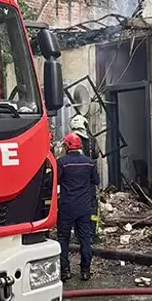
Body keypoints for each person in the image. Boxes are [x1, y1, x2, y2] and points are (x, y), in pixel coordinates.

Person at [57, 132, 99, 282]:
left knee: (63, 238)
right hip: (84, 207)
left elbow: (56, 181)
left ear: (67, 146)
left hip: (67, 206)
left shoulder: (62, 162)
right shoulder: (89, 163)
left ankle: (65, 271)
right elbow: (96, 181)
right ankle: (86, 271)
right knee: (85, 239)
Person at [69, 114, 101, 243]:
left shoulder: (69, 139)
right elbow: (96, 155)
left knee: (76, 206)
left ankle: (78, 234)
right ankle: (92, 234)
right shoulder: (92, 140)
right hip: (89, 181)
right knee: (92, 207)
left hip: (73, 182)